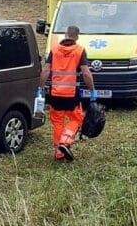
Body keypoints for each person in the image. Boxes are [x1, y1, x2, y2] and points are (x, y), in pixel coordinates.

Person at [40, 25, 96, 162]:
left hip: (55, 94)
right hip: (71, 95)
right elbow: (86, 73)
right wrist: (92, 90)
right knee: (76, 119)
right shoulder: (79, 50)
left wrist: (40, 88)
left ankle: (59, 153)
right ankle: (65, 142)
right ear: (77, 36)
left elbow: (46, 70)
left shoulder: (54, 49)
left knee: (58, 122)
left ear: (66, 34)